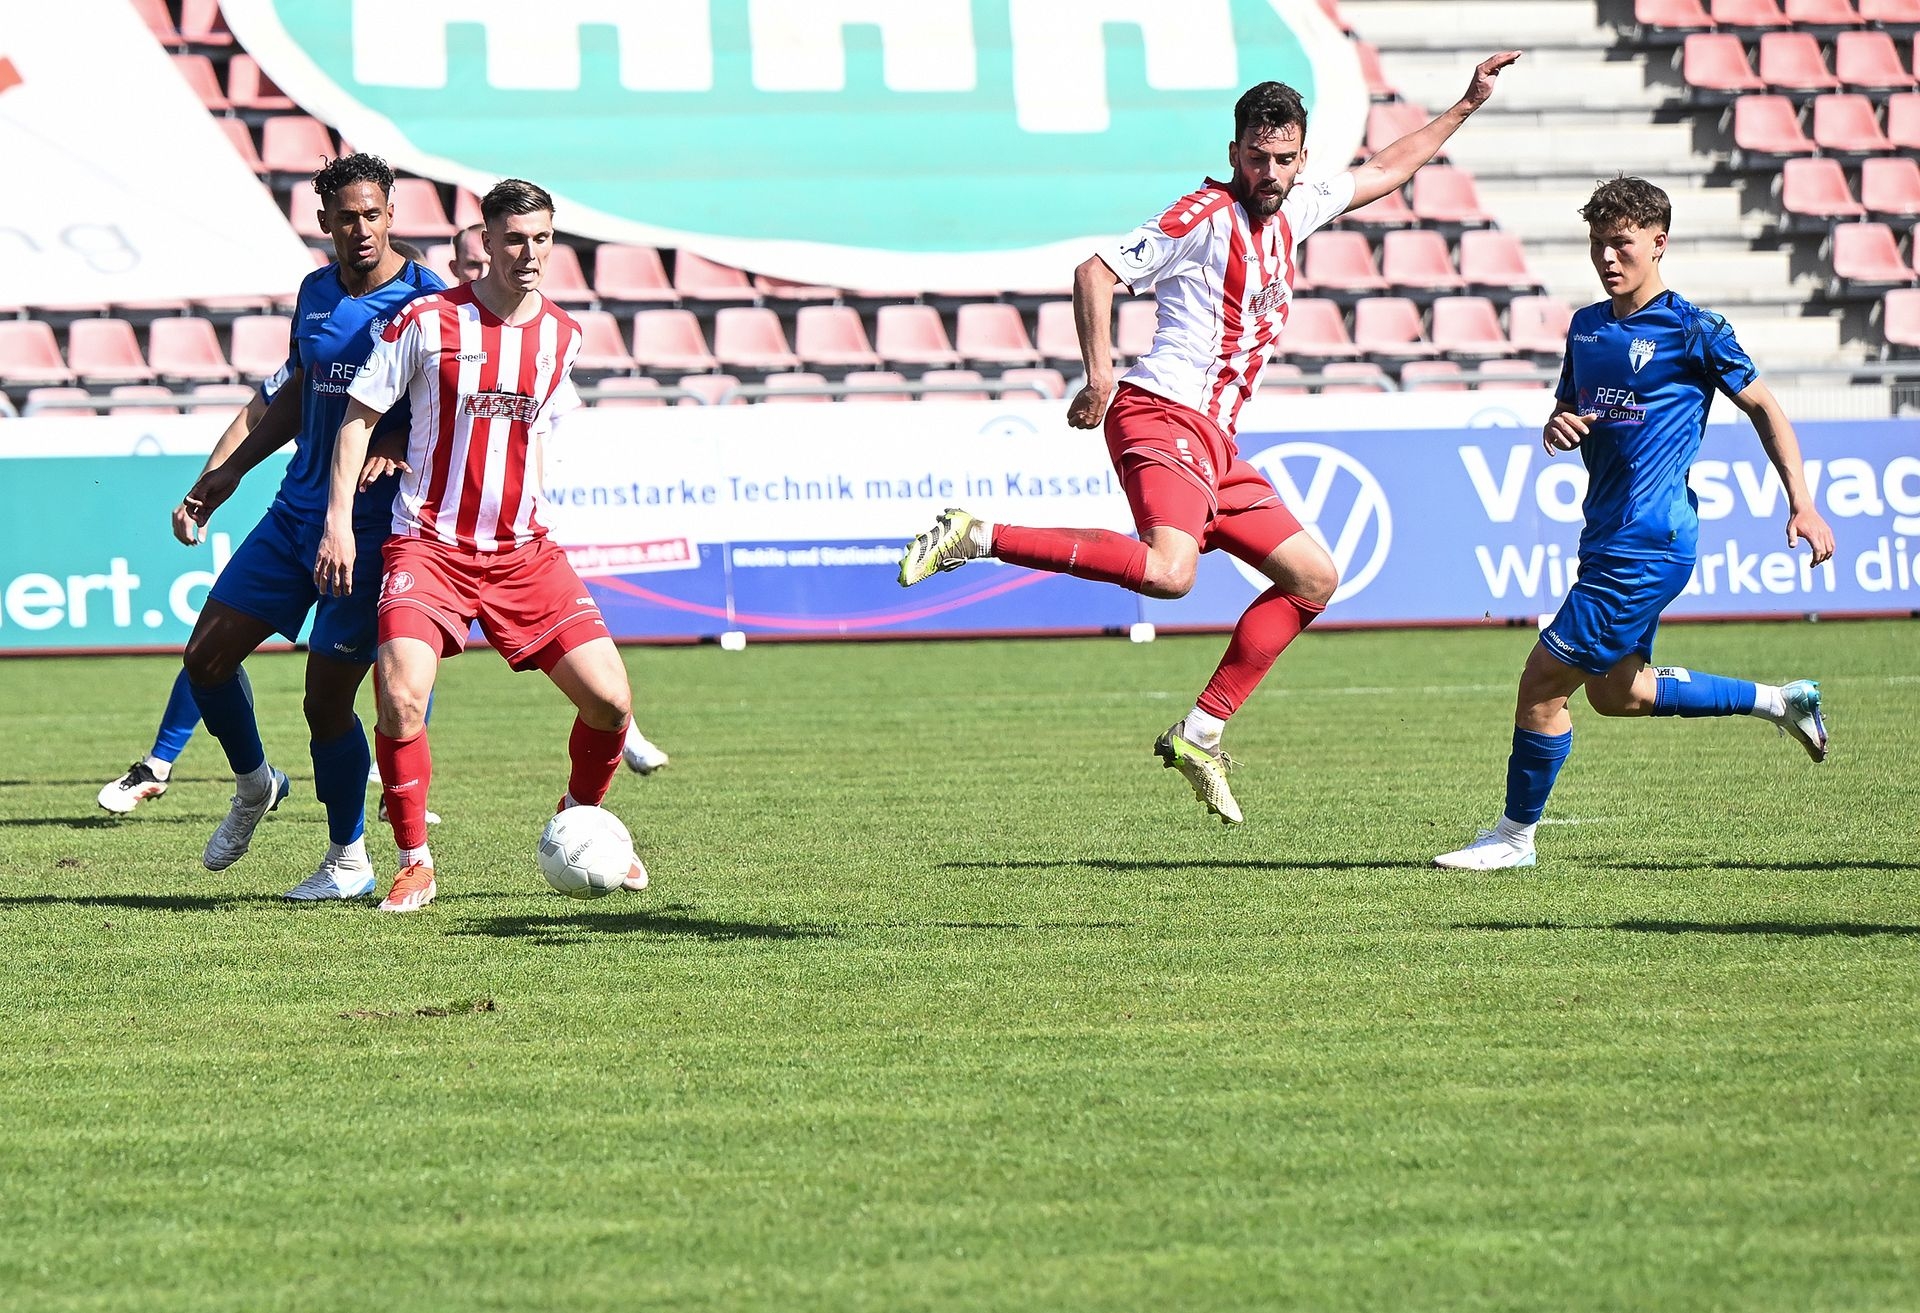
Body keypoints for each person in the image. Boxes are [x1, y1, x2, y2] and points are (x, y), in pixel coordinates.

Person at [898, 53, 1521, 824]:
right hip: (1161, 412)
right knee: (1171, 572)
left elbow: (1386, 169)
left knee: (1313, 578)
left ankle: (1200, 733)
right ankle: (977, 534)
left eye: (1283, 159)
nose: (1270, 172)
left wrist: (1465, 104)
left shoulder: (1296, 208)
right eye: (1257, 157)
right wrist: (1099, 377)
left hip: (1215, 442)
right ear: (1234, 153)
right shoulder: (1202, 215)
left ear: (1301, 157)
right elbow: (1094, 272)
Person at [1434, 177, 1835, 870]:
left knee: (1541, 683)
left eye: (1621, 243)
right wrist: (1559, 426)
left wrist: (1802, 501)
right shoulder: (1586, 327)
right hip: (1605, 534)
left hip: (1649, 538)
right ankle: (1782, 701)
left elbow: (1766, 408)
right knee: (1619, 692)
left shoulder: (1694, 329)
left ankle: (1512, 839)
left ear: (1658, 243)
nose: (1607, 257)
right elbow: (1570, 410)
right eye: (1598, 243)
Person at [319, 177, 646, 913]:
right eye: (515, 240)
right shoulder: (428, 320)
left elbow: (538, 433)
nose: (530, 254)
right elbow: (359, 416)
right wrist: (338, 522)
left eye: (542, 239)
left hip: (523, 553)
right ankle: (414, 862)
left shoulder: (563, 336)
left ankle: (580, 822)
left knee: (611, 702)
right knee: (401, 697)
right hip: (428, 545)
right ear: (487, 242)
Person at [173, 152, 445, 900]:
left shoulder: (427, 300)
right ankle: (256, 782)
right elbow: (299, 389)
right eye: (346, 217)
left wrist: (395, 439)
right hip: (296, 511)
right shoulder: (315, 291)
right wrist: (229, 472)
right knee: (205, 658)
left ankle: (348, 857)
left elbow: (446, 403)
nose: (361, 229)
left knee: (325, 701)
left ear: (391, 214)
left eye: (373, 214)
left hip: (370, 528)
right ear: (324, 221)